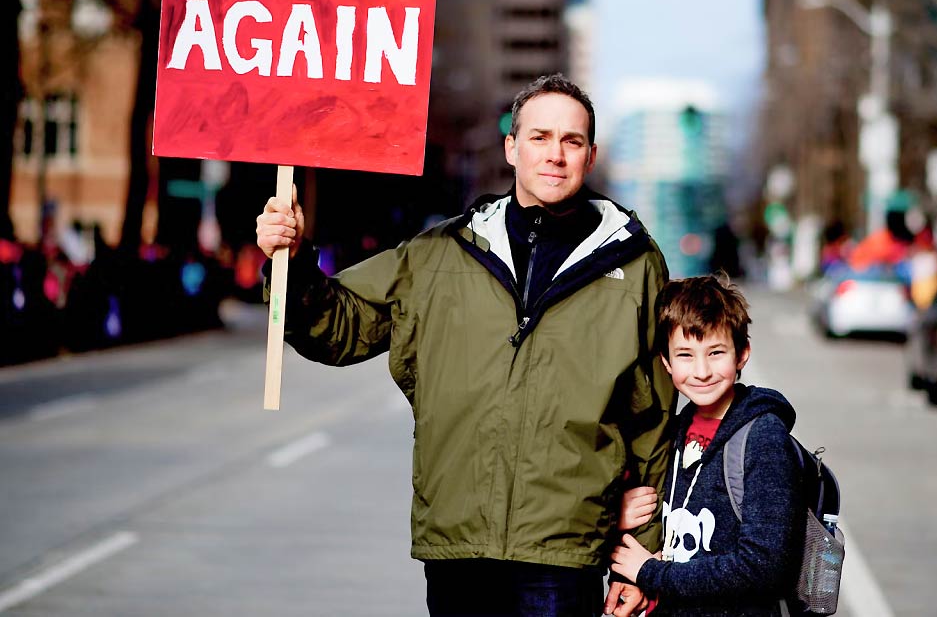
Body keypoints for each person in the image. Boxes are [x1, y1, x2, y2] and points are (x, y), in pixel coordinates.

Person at [256, 74, 674, 617]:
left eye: (571, 141)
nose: (554, 155)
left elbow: (654, 421)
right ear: (511, 147)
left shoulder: (635, 264)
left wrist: (642, 556)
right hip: (458, 547)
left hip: (565, 552)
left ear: (590, 155)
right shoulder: (438, 254)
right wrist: (291, 261)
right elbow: (338, 328)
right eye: (539, 137)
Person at [610, 276, 805, 617]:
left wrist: (652, 574)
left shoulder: (763, 438)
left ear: (742, 354)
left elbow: (763, 566)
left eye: (716, 353)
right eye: (685, 355)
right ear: (667, 363)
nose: (701, 371)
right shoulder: (674, 430)